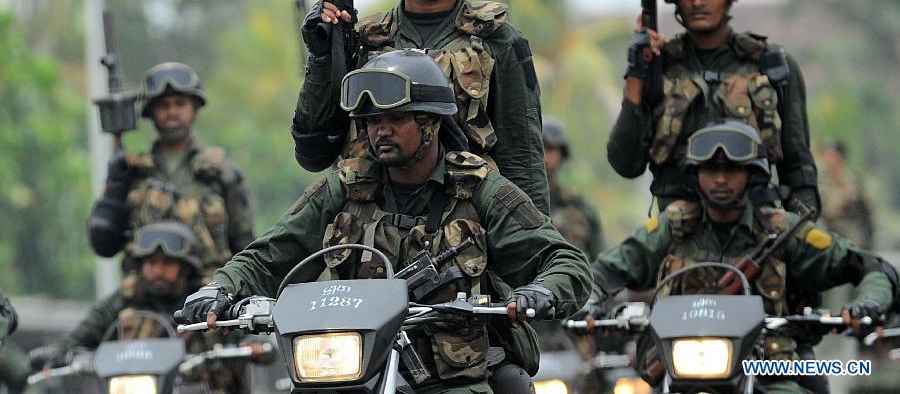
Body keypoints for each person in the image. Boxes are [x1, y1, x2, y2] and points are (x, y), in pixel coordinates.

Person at [182, 50, 592, 393]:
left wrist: (540, 293)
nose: (381, 131)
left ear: (430, 122)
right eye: (372, 122)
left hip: (452, 380)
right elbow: (268, 255)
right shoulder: (342, 188)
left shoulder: (480, 189)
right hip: (353, 370)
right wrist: (219, 289)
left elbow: (565, 260)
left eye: (395, 119)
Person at [292, 0, 550, 215]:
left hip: (465, 244)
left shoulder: (499, 42)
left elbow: (523, 167)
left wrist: (532, 254)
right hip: (367, 241)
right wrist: (323, 53)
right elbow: (313, 153)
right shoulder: (361, 42)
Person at [594, 120, 897, 393]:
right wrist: (590, 301)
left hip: (769, 368)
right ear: (696, 175)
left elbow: (870, 266)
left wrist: (868, 302)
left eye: (732, 169)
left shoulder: (781, 231)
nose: (721, 179)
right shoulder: (670, 227)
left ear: (752, 175)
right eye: (712, 170)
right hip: (682, 372)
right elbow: (606, 270)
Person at [607, 0, 819, 218]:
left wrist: (802, 232)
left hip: (754, 234)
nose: (698, 2)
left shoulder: (772, 66)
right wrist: (637, 72)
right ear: (676, 1)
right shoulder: (659, 70)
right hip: (674, 239)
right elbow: (626, 163)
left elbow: (797, 165)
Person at [38, 222, 254, 393]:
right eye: (151, 263)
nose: (158, 271)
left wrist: (251, 346)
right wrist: (60, 350)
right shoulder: (126, 299)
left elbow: (242, 329)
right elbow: (91, 326)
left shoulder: (207, 298)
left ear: (186, 268)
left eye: (167, 264)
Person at [87, 62, 254, 278]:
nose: (172, 112)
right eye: (163, 105)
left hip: (207, 297)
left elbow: (244, 247)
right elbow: (104, 245)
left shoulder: (222, 173)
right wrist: (115, 187)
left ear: (195, 108)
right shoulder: (132, 172)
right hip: (144, 298)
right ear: (151, 112)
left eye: (180, 103)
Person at [542, 116, 604, 260]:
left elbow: (600, 265)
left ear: (561, 155)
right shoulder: (512, 203)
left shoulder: (581, 208)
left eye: (550, 149)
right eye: (539, 148)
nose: (544, 157)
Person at [818, 139, 874, 250]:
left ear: (840, 158)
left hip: (850, 231)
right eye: (826, 155)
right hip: (826, 229)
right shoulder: (821, 181)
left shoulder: (852, 181)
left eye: (831, 155)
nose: (827, 159)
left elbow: (866, 210)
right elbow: (825, 210)